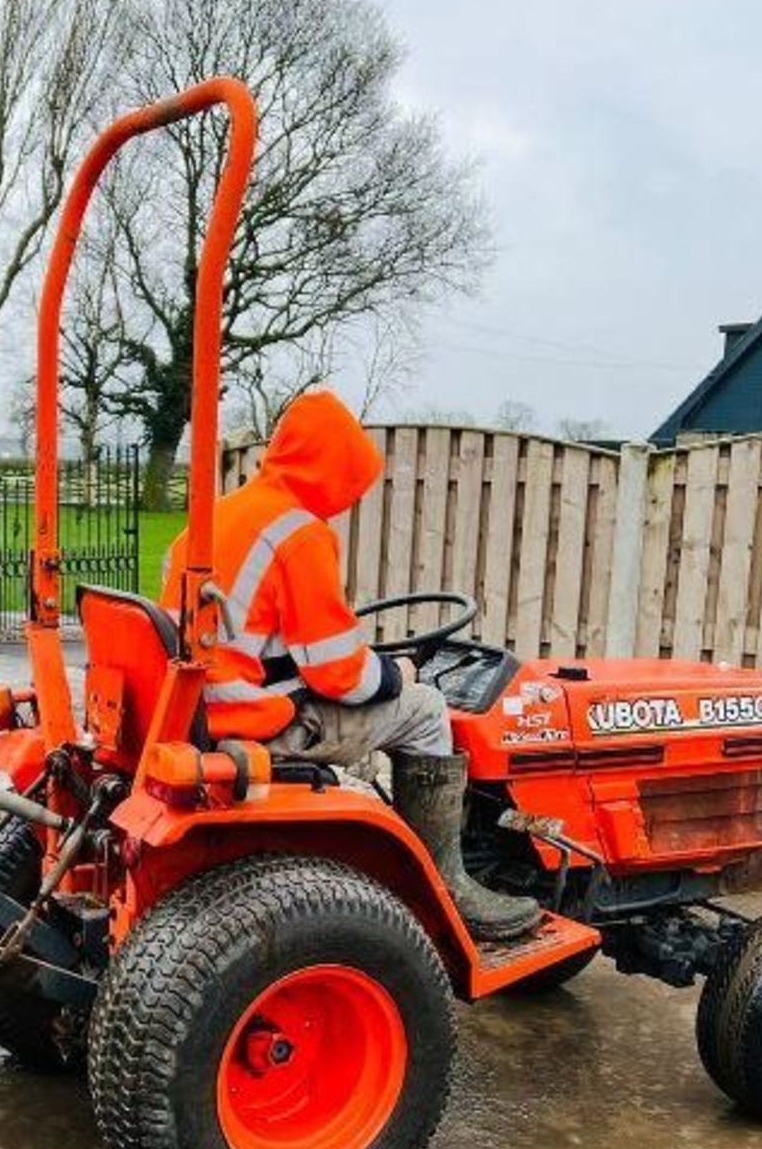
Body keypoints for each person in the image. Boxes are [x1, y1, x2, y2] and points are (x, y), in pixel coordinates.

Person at [160, 388, 541, 940]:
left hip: (197, 707)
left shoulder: (216, 517)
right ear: (334, 468)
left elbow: (246, 640)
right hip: (246, 721)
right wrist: (397, 673)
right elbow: (336, 671)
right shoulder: (299, 533)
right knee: (428, 709)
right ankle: (445, 882)